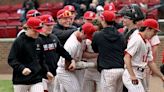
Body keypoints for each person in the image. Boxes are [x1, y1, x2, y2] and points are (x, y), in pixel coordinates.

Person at [8, 17, 52, 92]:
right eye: (35, 31)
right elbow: (12, 59)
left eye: (39, 31)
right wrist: (22, 68)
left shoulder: (39, 40)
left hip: (36, 79)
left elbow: (41, 59)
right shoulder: (19, 41)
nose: (37, 33)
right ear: (28, 28)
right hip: (20, 80)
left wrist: (46, 71)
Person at [122, 19, 164, 92]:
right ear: (147, 29)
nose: (155, 34)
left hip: (141, 73)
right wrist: (132, 75)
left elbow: (150, 62)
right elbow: (126, 57)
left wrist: (161, 76)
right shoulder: (137, 39)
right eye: (154, 31)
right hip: (132, 72)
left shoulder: (147, 42)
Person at [39, 14, 76, 92]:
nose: (50, 27)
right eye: (47, 25)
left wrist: (71, 59)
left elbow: (62, 51)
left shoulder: (54, 37)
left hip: (53, 73)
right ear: (41, 25)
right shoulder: (37, 39)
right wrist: (45, 71)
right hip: (40, 74)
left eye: (51, 25)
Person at [91, 10, 126, 92]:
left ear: (103, 20)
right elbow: (123, 47)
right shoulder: (120, 35)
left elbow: (95, 50)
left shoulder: (98, 35)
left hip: (107, 70)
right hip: (120, 69)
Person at [55, 26, 87, 92]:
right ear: (82, 32)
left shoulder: (81, 38)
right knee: (76, 90)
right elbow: (67, 66)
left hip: (73, 70)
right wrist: (85, 65)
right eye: (87, 35)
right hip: (64, 69)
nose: (87, 38)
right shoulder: (72, 44)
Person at [81, 23, 101, 92]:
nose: (94, 33)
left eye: (96, 30)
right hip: (88, 70)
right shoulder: (86, 41)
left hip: (100, 72)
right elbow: (82, 54)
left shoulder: (103, 40)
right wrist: (97, 55)